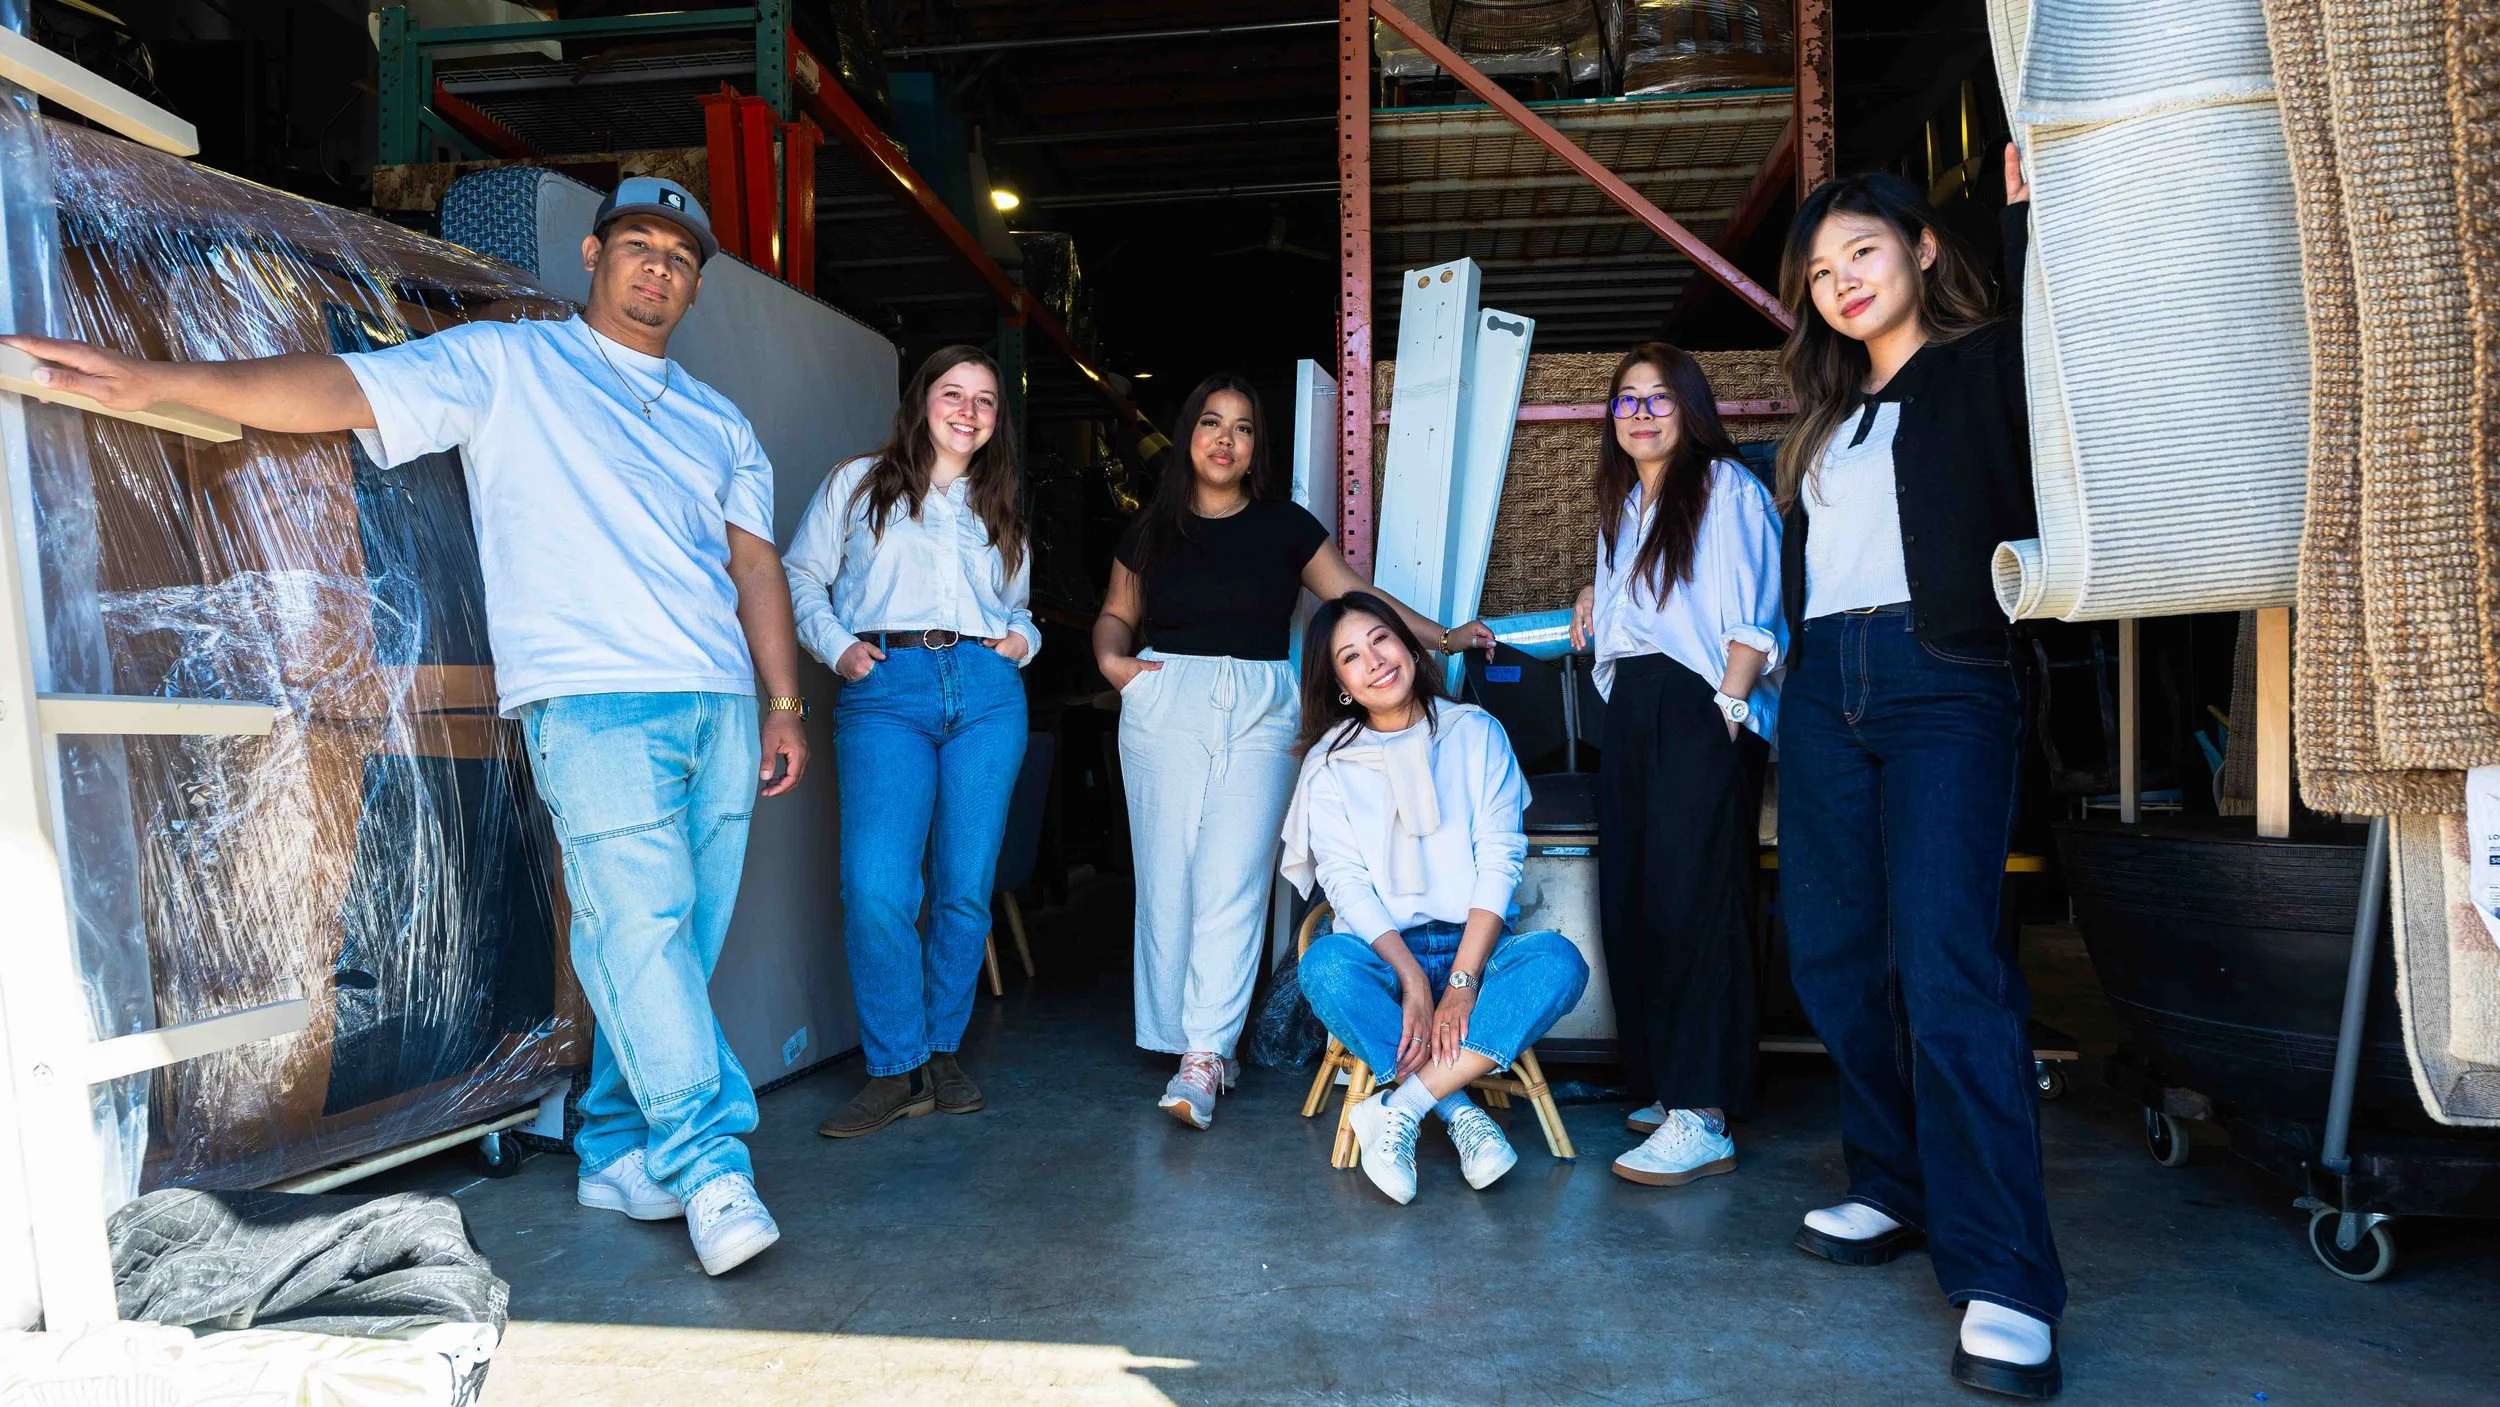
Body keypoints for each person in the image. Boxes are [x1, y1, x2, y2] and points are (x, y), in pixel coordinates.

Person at [5, 177, 809, 1278]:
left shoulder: (720, 421)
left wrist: (780, 701)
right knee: (641, 929)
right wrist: (162, 379)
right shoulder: (510, 363)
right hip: (590, 692)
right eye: (638, 245)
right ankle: (709, 1159)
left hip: (718, 696)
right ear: (595, 253)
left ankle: (620, 1150)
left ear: (695, 282)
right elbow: (341, 386)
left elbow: (753, 564)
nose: (658, 267)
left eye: (679, 255)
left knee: (669, 944)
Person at [1770, 148, 2062, 1399]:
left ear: (1921, 252)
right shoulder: (1826, 418)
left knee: (1946, 966)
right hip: (1825, 684)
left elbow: (2064, 331)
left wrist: (2032, 208)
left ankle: (2004, 1276)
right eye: (1821, 270)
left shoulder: (1982, 369)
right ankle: (1889, 1186)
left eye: (1863, 253)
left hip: (1944, 672)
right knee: (1834, 952)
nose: (1841, 281)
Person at [1093, 374, 1496, 1129]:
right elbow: (1116, 616)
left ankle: (1205, 1054)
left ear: (1256, 449)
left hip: (1258, 706)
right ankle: (1180, 1036)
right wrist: (1115, 664)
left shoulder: (1284, 525)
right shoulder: (1150, 529)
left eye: (1243, 428)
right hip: (1162, 696)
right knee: (1167, 874)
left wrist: (1442, 635)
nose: (1225, 439)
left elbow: (1353, 596)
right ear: (1187, 436)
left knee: (1233, 874)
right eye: (1210, 422)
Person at [785, 346, 1035, 1139]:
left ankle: (940, 1047)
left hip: (989, 695)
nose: (968, 411)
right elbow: (799, 575)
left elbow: (1019, 609)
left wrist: (1022, 643)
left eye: (986, 401)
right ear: (920, 402)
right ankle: (896, 1068)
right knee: (879, 886)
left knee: (965, 886)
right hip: (887, 689)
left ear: (998, 421)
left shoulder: (1003, 508)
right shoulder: (859, 484)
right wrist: (838, 647)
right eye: (952, 394)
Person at [1281, 592, 1589, 1205]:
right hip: (1383, 956)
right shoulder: (1330, 766)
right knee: (1324, 967)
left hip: (1474, 946)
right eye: (1350, 657)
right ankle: (1461, 1114)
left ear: (1407, 645)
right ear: (1340, 683)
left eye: (1381, 640)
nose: (1374, 661)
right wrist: (1415, 983)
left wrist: (1463, 980)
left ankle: (1405, 1105)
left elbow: (1500, 860)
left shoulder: (1475, 734)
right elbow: (1345, 884)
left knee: (1558, 963)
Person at [1566, 342, 1783, 1189]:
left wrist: (1727, 714)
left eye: (1660, 399)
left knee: (1697, 899)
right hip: (1639, 710)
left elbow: (1755, 614)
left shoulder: (1726, 488)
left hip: (1704, 702)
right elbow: (1636, 615)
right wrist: (1596, 599)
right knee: (1637, 895)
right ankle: (1664, 1085)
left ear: (1691, 409)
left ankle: (1706, 1111)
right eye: (1627, 400)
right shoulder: (1621, 504)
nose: (1642, 413)